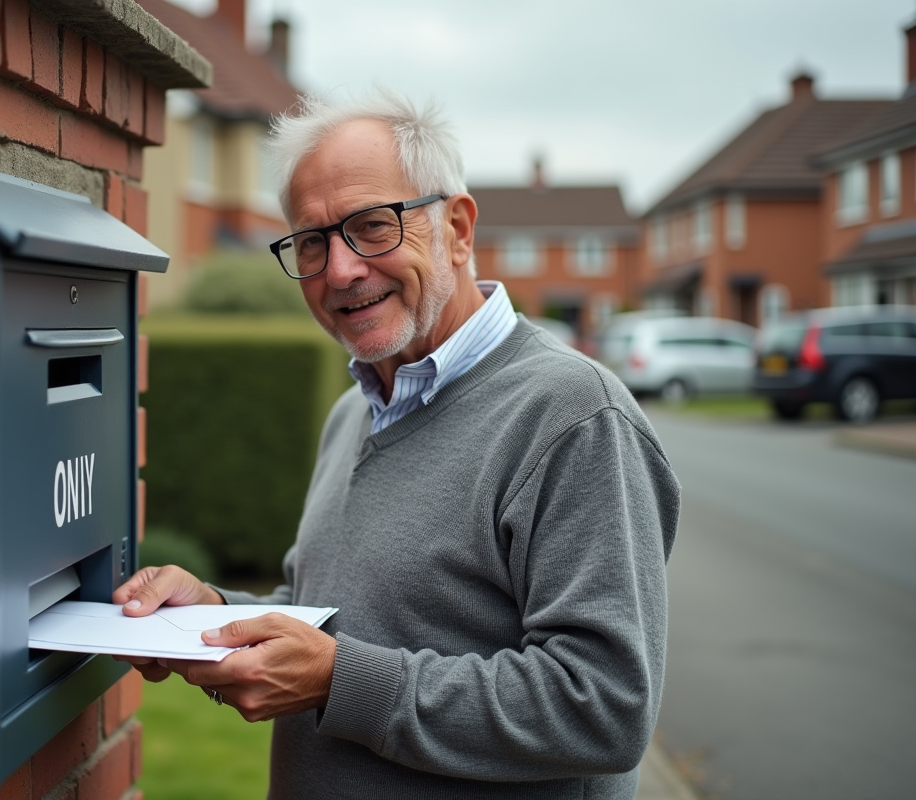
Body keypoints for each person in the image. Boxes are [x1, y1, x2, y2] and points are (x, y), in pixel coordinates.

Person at [113, 90, 680, 799]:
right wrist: (213, 613)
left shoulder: (575, 417)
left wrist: (337, 681)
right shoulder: (354, 409)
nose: (341, 270)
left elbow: (603, 708)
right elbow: (334, 612)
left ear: (458, 229)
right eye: (313, 242)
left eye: (372, 226)